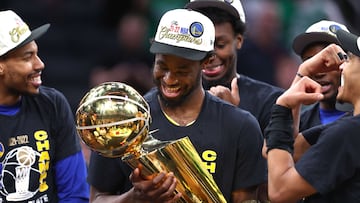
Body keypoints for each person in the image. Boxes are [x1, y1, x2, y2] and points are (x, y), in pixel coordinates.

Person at [87, 8, 266, 203]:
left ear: (206, 62)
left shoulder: (240, 126)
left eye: (182, 71)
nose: (169, 79)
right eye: (162, 67)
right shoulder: (123, 122)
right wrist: (134, 198)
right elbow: (97, 198)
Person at [0, 10, 89, 202]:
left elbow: (75, 194)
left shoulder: (53, 104)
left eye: (37, 54)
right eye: (27, 57)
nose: (39, 64)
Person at [264, 27, 360, 202]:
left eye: (350, 59)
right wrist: (303, 73)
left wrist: (283, 106)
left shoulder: (349, 132)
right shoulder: (348, 127)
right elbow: (281, 148)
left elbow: (279, 190)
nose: (342, 65)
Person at [184, 0, 284, 133]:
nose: (210, 55)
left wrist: (233, 118)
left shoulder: (270, 101)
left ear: (238, 41)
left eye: (220, 45)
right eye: (201, 44)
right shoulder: (170, 97)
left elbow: (273, 153)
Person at [292, 20, 351, 132]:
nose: (319, 73)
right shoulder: (298, 125)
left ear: (349, 62)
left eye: (328, 61)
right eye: (311, 63)